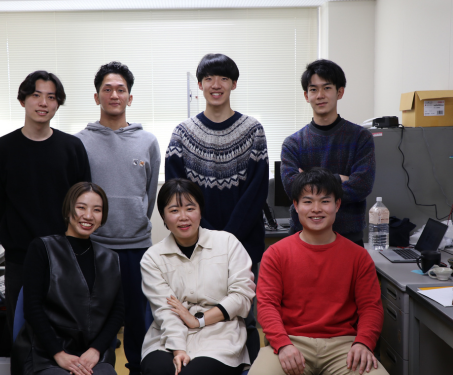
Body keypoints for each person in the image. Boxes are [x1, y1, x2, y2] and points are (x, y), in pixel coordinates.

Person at [165, 53, 268, 361]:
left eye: (223, 78)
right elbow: (177, 190)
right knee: (197, 316)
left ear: (233, 84)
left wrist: (227, 240)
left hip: (244, 244)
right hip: (194, 245)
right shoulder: (183, 133)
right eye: (208, 78)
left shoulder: (253, 130)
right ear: (199, 85)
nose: (216, 84)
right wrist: (206, 234)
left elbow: (257, 190)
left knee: (242, 317)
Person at [0, 70, 91, 334]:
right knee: (22, 333)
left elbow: (83, 200)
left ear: (57, 104)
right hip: (21, 258)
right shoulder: (0, 150)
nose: (43, 103)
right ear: (23, 101)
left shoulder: (72, 147)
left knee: (68, 330)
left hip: (67, 256)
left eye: (51, 97)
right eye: (36, 95)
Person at [249, 167, 387, 375]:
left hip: (344, 346)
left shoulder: (357, 256)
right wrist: (282, 343)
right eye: (307, 201)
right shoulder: (276, 254)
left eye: (324, 201)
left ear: (337, 205)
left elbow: (371, 307)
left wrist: (364, 343)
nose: (316, 209)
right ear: (295, 206)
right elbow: (267, 305)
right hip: (290, 342)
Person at [75, 61, 160, 375]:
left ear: (130, 97)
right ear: (96, 97)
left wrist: (135, 219)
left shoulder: (147, 142)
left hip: (137, 246)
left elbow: (149, 195)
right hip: (93, 247)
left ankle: (138, 368)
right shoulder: (80, 142)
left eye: (120, 89)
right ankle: (103, 369)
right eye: (107, 89)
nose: (114, 95)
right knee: (97, 319)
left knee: (139, 317)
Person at [140, 178, 255, 375]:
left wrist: (198, 321)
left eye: (190, 208)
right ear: (163, 216)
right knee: (158, 369)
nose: (183, 217)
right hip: (167, 337)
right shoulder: (152, 258)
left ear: (200, 211)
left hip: (219, 334)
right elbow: (165, 311)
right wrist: (179, 349)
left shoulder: (227, 243)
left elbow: (242, 296)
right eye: (174, 210)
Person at [12, 182, 123, 375]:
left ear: (102, 216)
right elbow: (32, 308)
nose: (88, 216)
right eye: (81, 207)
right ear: (68, 209)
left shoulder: (111, 259)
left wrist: (96, 350)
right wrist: (58, 353)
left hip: (93, 355)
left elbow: (117, 312)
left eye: (97, 210)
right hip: (45, 353)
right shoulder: (42, 249)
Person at [281, 59, 375, 247]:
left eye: (327, 88)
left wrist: (307, 181)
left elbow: (362, 185)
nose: (320, 95)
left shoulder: (360, 137)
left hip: (349, 238)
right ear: (306, 96)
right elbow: (291, 187)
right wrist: (340, 179)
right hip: (302, 238)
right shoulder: (293, 143)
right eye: (313, 89)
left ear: (339, 92)